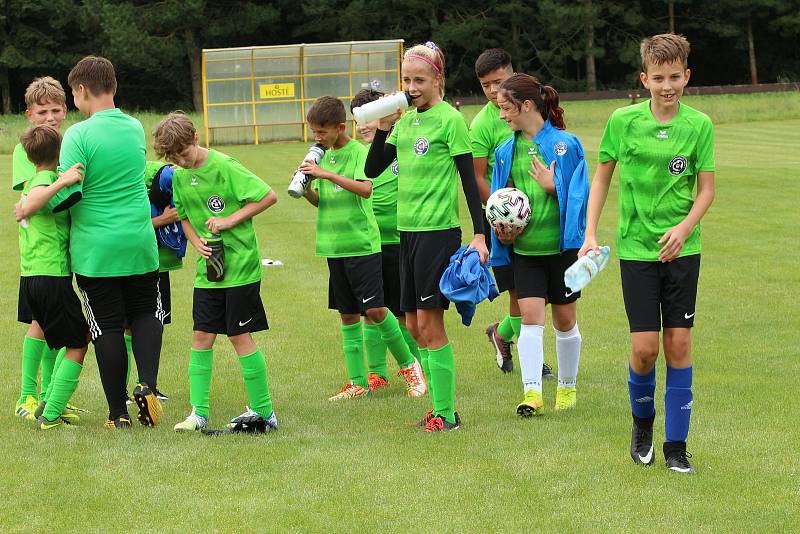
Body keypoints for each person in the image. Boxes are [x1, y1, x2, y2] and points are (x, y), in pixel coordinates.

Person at [579, 33, 716, 474]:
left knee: (678, 344)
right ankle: (643, 425)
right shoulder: (622, 122)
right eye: (658, 77)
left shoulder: (700, 126)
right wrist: (589, 233)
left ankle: (676, 447)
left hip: (683, 252)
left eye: (675, 76)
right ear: (644, 79)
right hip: (637, 253)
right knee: (644, 350)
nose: (667, 85)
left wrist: (684, 228)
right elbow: (601, 179)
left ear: (687, 76)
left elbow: (706, 190)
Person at [365, 42, 488, 432]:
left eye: (419, 79)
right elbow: (372, 168)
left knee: (431, 327)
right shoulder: (404, 123)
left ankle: (446, 415)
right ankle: (437, 410)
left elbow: (469, 183)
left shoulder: (450, 120)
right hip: (407, 235)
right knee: (414, 326)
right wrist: (384, 128)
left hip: (438, 235)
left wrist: (480, 234)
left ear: (438, 79)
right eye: (406, 79)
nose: (412, 86)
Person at [49, 55, 164, 429]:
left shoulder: (78, 135)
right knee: (147, 312)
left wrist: (40, 198)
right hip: (139, 239)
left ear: (81, 90)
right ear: (113, 86)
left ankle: (118, 413)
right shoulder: (134, 127)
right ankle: (147, 382)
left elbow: (69, 194)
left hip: (97, 248)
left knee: (108, 327)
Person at [153, 112, 279, 433]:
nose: (180, 161)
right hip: (207, 271)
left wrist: (229, 220)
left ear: (196, 137)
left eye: (183, 152)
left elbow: (268, 196)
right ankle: (199, 415)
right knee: (201, 336)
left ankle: (265, 412)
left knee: (239, 335)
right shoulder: (179, 176)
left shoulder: (225, 165)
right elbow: (182, 215)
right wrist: (195, 242)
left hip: (241, 267)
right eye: (173, 157)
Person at [299, 96, 426, 401]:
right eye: (314, 132)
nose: (317, 138)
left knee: (377, 310)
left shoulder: (358, 152)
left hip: (362, 245)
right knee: (347, 315)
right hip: (334, 246)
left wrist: (326, 175)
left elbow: (365, 189)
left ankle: (411, 368)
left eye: (322, 131)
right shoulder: (321, 157)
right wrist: (306, 189)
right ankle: (357, 382)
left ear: (340, 127)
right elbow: (323, 201)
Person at [489, 74, 589, 416]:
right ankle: (532, 394)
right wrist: (503, 232)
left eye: (505, 108)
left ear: (526, 105)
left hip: (562, 253)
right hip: (526, 253)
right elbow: (502, 200)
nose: (502, 115)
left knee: (564, 321)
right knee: (530, 318)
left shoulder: (566, 144)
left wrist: (553, 186)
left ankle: (567, 387)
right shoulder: (506, 151)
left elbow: (581, 197)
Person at [470, 48, 554, 379]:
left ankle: (501, 333)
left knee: (550, 291)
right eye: (485, 85)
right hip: (506, 225)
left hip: (545, 217)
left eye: (499, 82)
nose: (492, 91)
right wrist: (508, 212)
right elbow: (477, 177)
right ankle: (535, 363)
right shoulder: (480, 126)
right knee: (522, 294)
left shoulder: (533, 105)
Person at [11, 77, 87, 421]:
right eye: (43, 111)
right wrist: (59, 182)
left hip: (48, 262)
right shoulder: (32, 148)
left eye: (56, 110)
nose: (51, 117)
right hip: (45, 263)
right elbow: (31, 196)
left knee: (47, 327)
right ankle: (32, 397)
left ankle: (49, 396)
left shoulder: (65, 141)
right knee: (57, 332)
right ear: (30, 115)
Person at [349, 88, 421, 392]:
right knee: (371, 310)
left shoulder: (400, 143)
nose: (363, 125)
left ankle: (419, 368)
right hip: (368, 243)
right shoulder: (355, 153)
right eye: (358, 119)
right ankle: (377, 374)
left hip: (400, 240)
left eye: (368, 117)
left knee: (403, 312)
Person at [123, 160, 184, 402]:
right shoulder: (131, 176)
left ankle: (146, 386)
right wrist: (162, 220)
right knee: (129, 326)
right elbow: (126, 227)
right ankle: (126, 390)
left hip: (157, 264)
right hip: (137, 264)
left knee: (153, 324)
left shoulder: (162, 172)